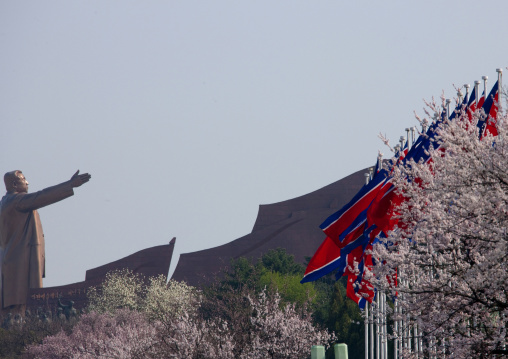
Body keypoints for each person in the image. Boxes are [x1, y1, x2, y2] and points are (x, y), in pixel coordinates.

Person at [0, 170, 91, 315]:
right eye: (24, 179)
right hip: (21, 261)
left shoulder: (4, 202)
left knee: (16, 305)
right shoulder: (17, 201)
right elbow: (42, 196)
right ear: (14, 184)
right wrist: (70, 184)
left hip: (11, 261)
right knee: (23, 304)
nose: (27, 182)